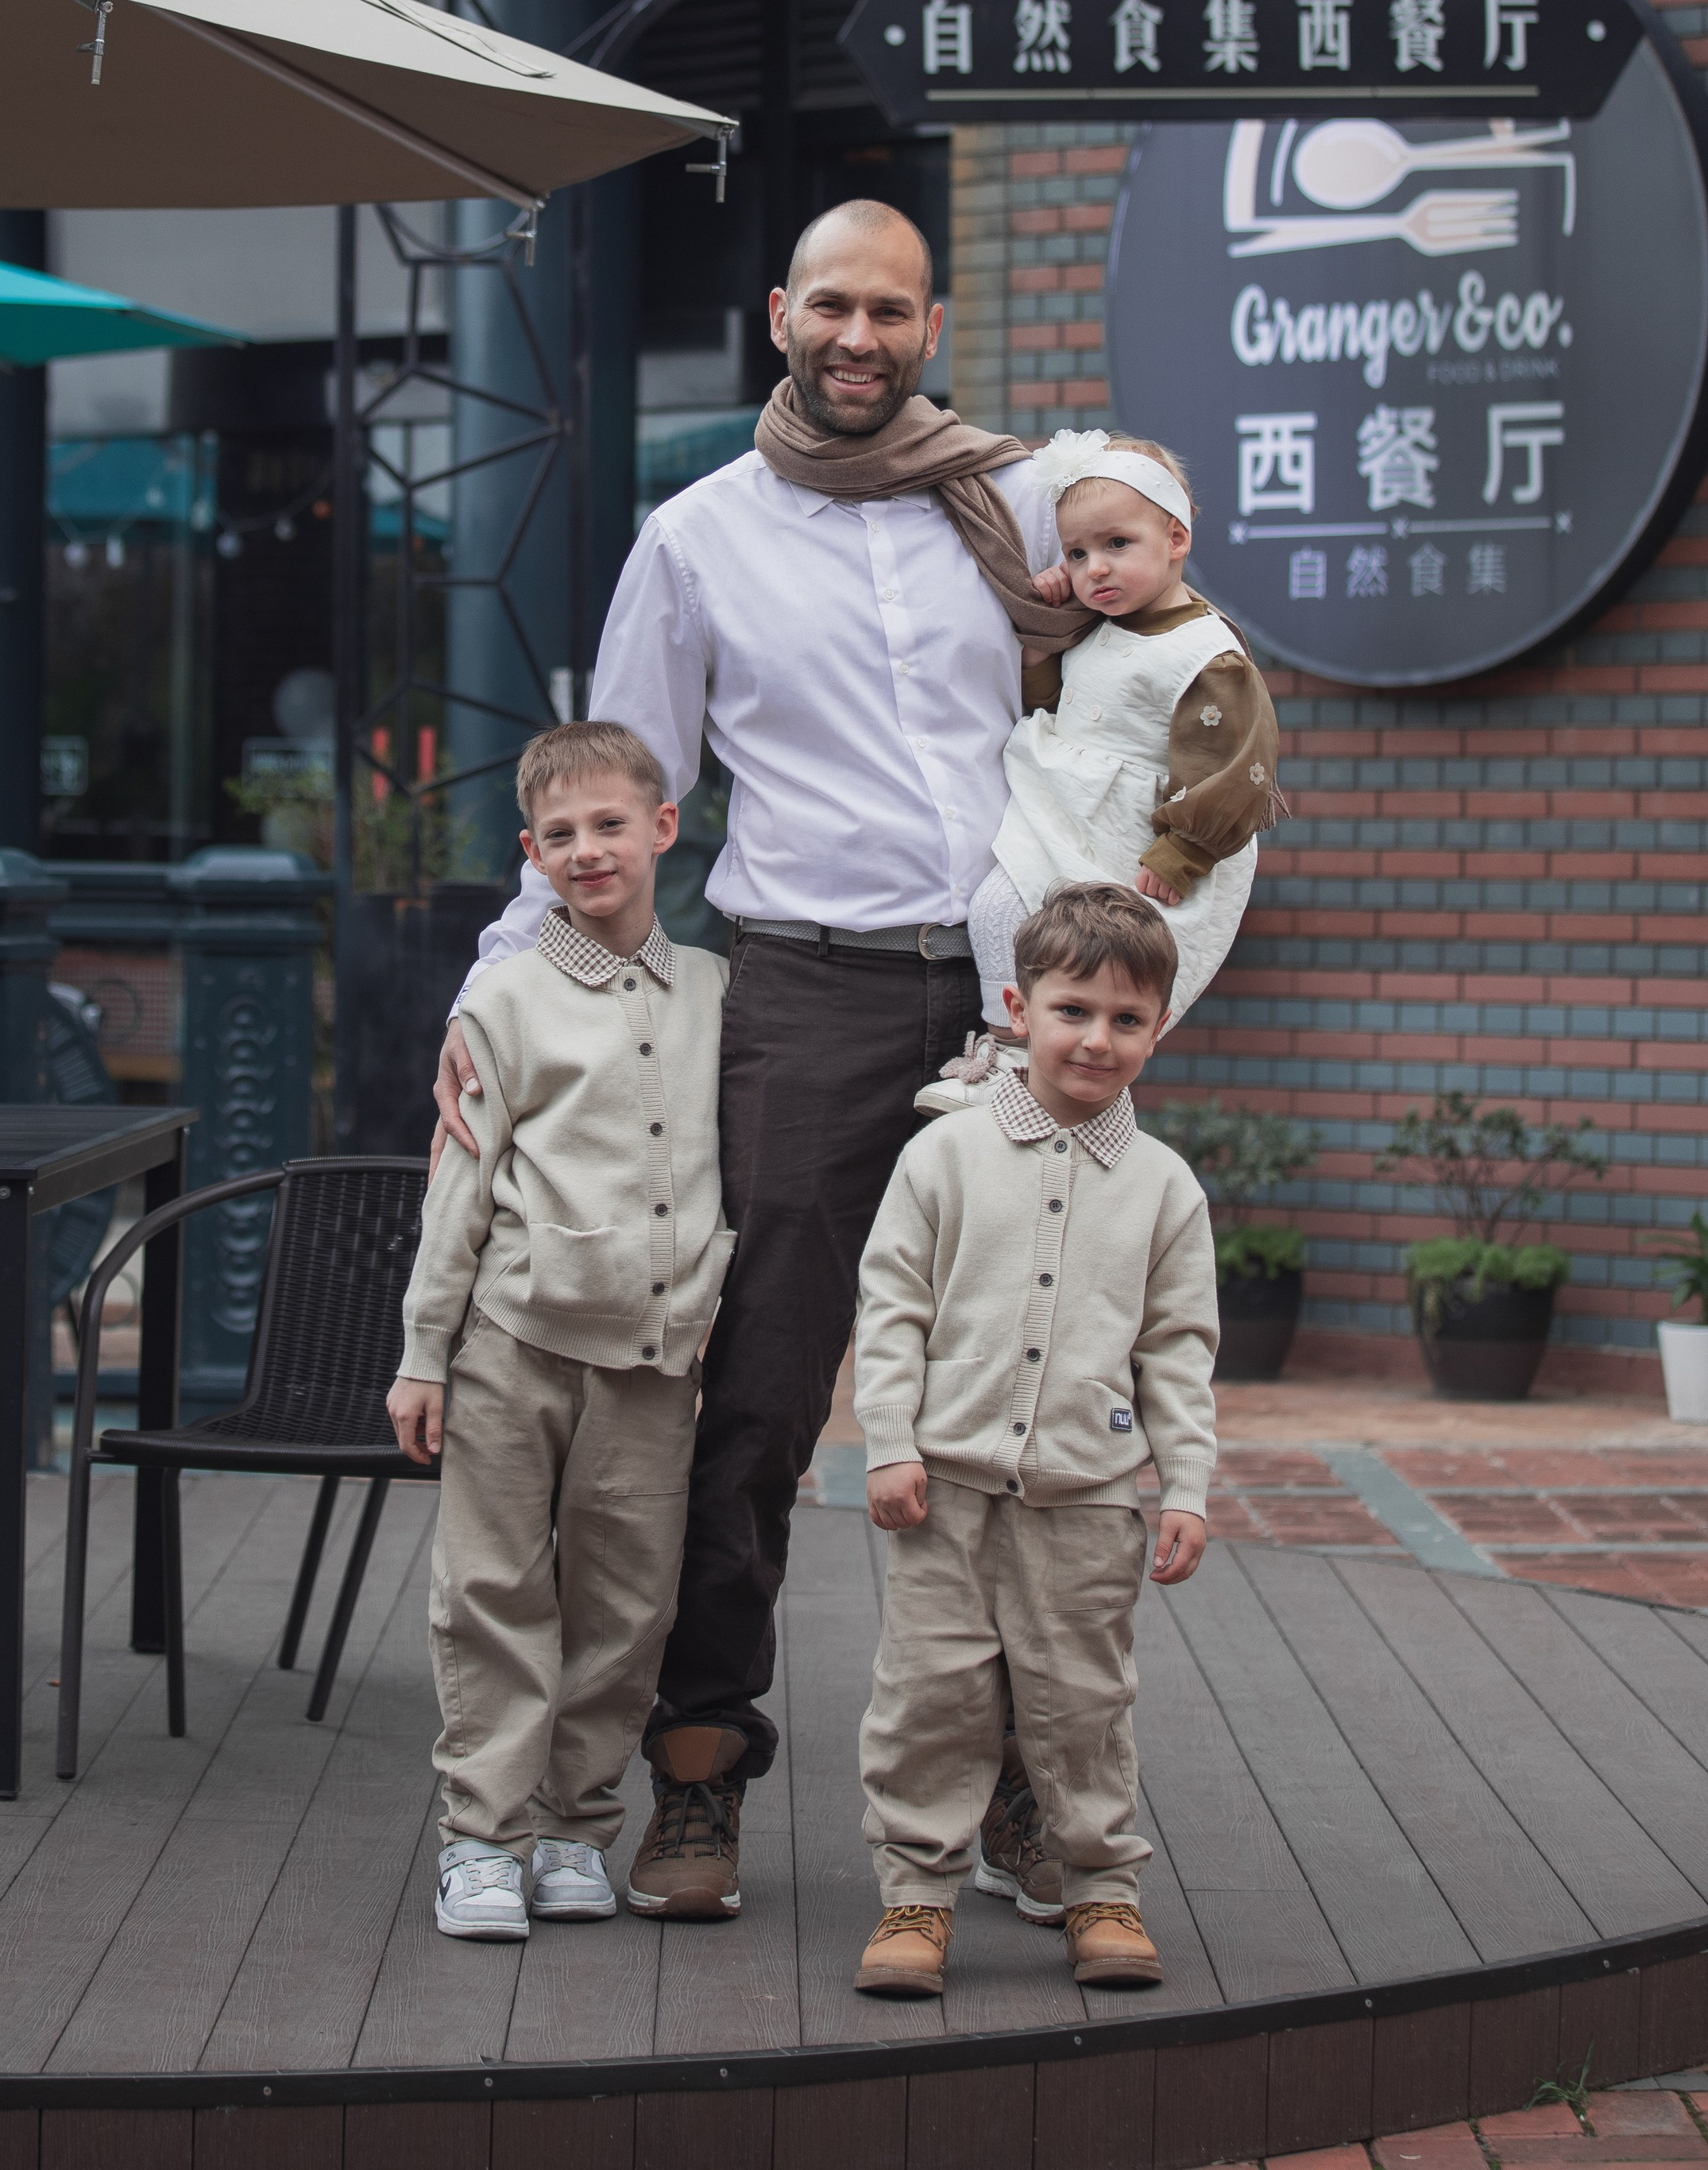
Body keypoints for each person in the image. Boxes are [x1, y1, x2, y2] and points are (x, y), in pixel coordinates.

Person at [430, 199, 1090, 1920]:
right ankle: (695, 1775)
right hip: (803, 999)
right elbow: (614, 785)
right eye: (829, 308)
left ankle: (1017, 1799)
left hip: (1013, 1000)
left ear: (927, 324)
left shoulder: (1012, 507)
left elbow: (1141, 678)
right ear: (775, 315)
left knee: (1010, 1406)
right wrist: (499, 988)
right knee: (751, 1405)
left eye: (890, 311)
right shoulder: (696, 537)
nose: (857, 339)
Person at [388, 719, 732, 1941]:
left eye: (610, 826)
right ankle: (483, 1839)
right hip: (512, 1347)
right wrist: (424, 1352)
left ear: (662, 830)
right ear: (532, 852)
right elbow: (461, 1182)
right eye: (562, 835)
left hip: (653, 1361)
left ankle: (576, 1828)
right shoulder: (503, 994)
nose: (590, 850)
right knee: (491, 1590)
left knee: (625, 1607)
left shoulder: (715, 993)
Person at [851, 881, 1218, 2004]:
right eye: (1073, 1011)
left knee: (1082, 1703)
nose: (1096, 1039)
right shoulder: (945, 1157)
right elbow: (893, 1306)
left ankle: (1101, 1887)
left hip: (1089, 1499)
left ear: (1158, 1029)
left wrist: (1188, 1486)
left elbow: (1179, 1348)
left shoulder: (1164, 1189)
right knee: (932, 1696)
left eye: (1125, 1020)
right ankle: (916, 1893)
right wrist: (887, 1442)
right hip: (944, 1491)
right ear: (1018, 1006)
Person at [960, 427, 1282, 1043]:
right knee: (1002, 915)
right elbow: (1060, 705)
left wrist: (1182, 850)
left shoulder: (1203, 653)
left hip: (1131, 835)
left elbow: (1236, 763)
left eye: (1117, 544)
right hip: (1063, 809)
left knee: (1091, 966)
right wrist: (1048, 631)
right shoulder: (1101, 622)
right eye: (1077, 554)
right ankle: (1007, 1052)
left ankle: (1027, 1064)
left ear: (1175, 538)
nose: (1095, 568)